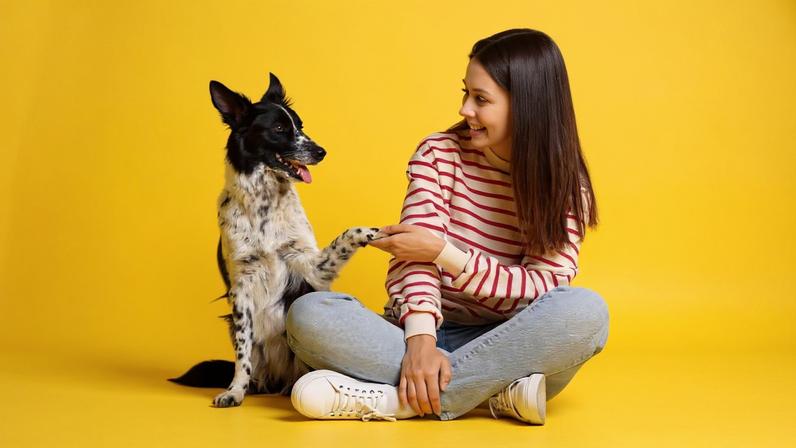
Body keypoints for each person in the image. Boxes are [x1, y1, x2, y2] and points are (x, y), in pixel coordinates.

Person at [285, 28, 609, 424]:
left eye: (481, 99)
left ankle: (395, 401)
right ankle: (491, 393)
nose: (464, 109)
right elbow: (412, 257)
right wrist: (421, 342)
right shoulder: (438, 153)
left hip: (507, 340)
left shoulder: (566, 186)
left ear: (527, 106)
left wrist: (446, 254)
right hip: (413, 333)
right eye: (465, 93)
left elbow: (539, 289)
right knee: (308, 315)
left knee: (586, 312)